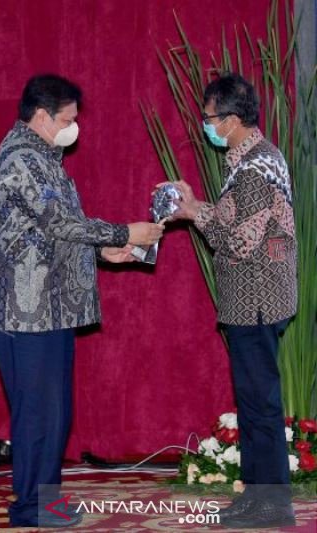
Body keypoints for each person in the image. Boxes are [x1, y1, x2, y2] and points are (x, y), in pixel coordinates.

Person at [0, 74, 164, 528]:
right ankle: (29, 508)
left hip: (50, 307)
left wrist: (105, 250)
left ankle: (48, 500)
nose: (73, 127)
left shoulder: (46, 157)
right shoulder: (22, 158)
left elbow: (58, 229)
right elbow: (57, 220)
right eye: (67, 119)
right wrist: (124, 232)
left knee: (56, 413)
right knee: (38, 414)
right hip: (24, 311)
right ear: (41, 117)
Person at [165, 73, 297, 529]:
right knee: (253, 402)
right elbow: (234, 218)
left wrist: (194, 212)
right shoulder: (249, 159)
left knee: (260, 406)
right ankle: (256, 496)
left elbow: (237, 242)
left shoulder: (256, 168)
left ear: (233, 120)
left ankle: (273, 504)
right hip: (252, 300)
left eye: (210, 119)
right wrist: (195, 203)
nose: (207, 126)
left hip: (256, 299)